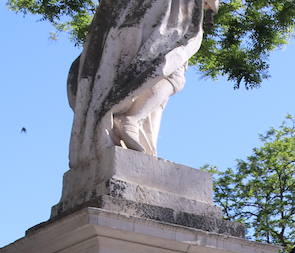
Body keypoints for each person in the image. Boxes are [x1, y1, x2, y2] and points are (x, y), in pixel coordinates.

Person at [66, 0, 219, 165]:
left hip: (126, 15)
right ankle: (131, 120)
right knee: (169, 68)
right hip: (158, 13)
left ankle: (131, 122)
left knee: (163, 68)